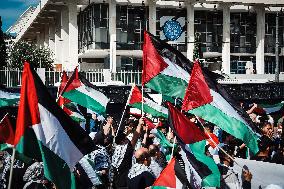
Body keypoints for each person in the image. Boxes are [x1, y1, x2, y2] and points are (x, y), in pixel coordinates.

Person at [111, 117, 144, 189]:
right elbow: (135, 138)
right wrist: (139, 124)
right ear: (123, 141)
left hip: (114, 181)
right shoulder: (125, 149)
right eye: (126, 139)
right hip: (123, 183)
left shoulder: (115, 149)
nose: (128, 140)